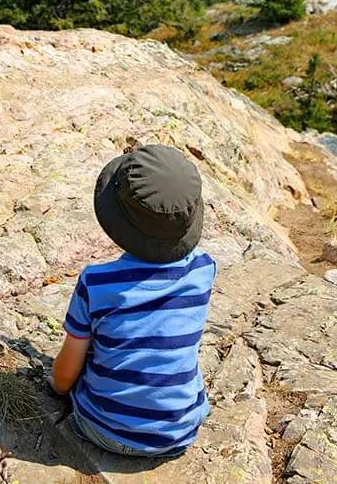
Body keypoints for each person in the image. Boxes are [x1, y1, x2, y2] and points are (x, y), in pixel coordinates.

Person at [49, 143, 217, 458]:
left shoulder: (96, 283)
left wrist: (55, 387)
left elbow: (65, 375)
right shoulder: (205, 268)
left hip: (105, 430)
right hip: (180, 433)